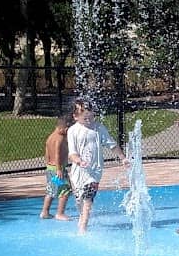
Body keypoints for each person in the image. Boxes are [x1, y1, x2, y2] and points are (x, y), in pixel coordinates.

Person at [64, 98, 127, 232]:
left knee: (88, 197)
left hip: (95, 171)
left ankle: (83, 226)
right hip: (78, 171)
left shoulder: (98, 128)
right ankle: (82, 216)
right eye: (85, 117)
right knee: (79, 198)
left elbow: (112, 145)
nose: (89, 120)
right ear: (75, 116)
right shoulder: (73, 131)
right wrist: (79, 161)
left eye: (90, 116)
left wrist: (123, 158)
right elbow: (72, 154)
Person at [40, 116, 72, 220]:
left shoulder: (50, 137)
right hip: (58, 170)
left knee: (51, 190)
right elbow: (57, 155)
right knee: (65, 190)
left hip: (50, 168)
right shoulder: (60, 138)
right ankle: (60, 213)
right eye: (67, 129)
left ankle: (45, 212)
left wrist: (49, 165)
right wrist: (59, 169)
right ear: (61, 128)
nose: (68, 131)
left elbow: (47, 153)